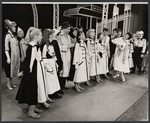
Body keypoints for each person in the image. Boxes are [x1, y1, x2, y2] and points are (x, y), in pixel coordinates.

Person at [16, 28, 51, 119]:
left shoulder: (35, 46)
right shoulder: (32, 47)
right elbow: (29, 62)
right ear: (35, 36)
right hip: (32, 73)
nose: (41, 37)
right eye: (40, 35)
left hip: (35, 70)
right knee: (31, 90)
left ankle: (33, 108)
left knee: (34, 90)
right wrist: (27, 73)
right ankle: (30, 111)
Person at [41, 29, 62, 99]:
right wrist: (48, 67)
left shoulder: (52, 45)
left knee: (54, 79)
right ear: (49, 35)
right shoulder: (45, 46)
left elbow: (54, 55)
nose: (54, 36)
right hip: (48, 64)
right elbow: (43, 57)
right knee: (49, 80)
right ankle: (49, 94)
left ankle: (54, 92)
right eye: (53, 34)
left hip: (53, 63)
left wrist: (56, 63)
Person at [4, 19, 20, 90]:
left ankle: (12, 83)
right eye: (13, 27)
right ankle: (8, 83)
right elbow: (6, 47)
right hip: (10, 55)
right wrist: (8, 57)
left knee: (12, 69)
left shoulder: (14, 36)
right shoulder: (7, 35)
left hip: (14, 54)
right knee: (8, 69)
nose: (15, 28)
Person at [59, 21, 74, 89]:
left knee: (67, 70)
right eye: (68, 29)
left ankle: (63, 85)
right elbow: (59, 46)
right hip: (63, 54)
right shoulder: (59, 35)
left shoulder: (68, 36)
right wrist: (68, 46)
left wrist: (71, 45)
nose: (69, 30)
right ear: (64, 29)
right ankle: (60, 86)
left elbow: (70, 43)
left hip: (68, 54)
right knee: (63, 71)